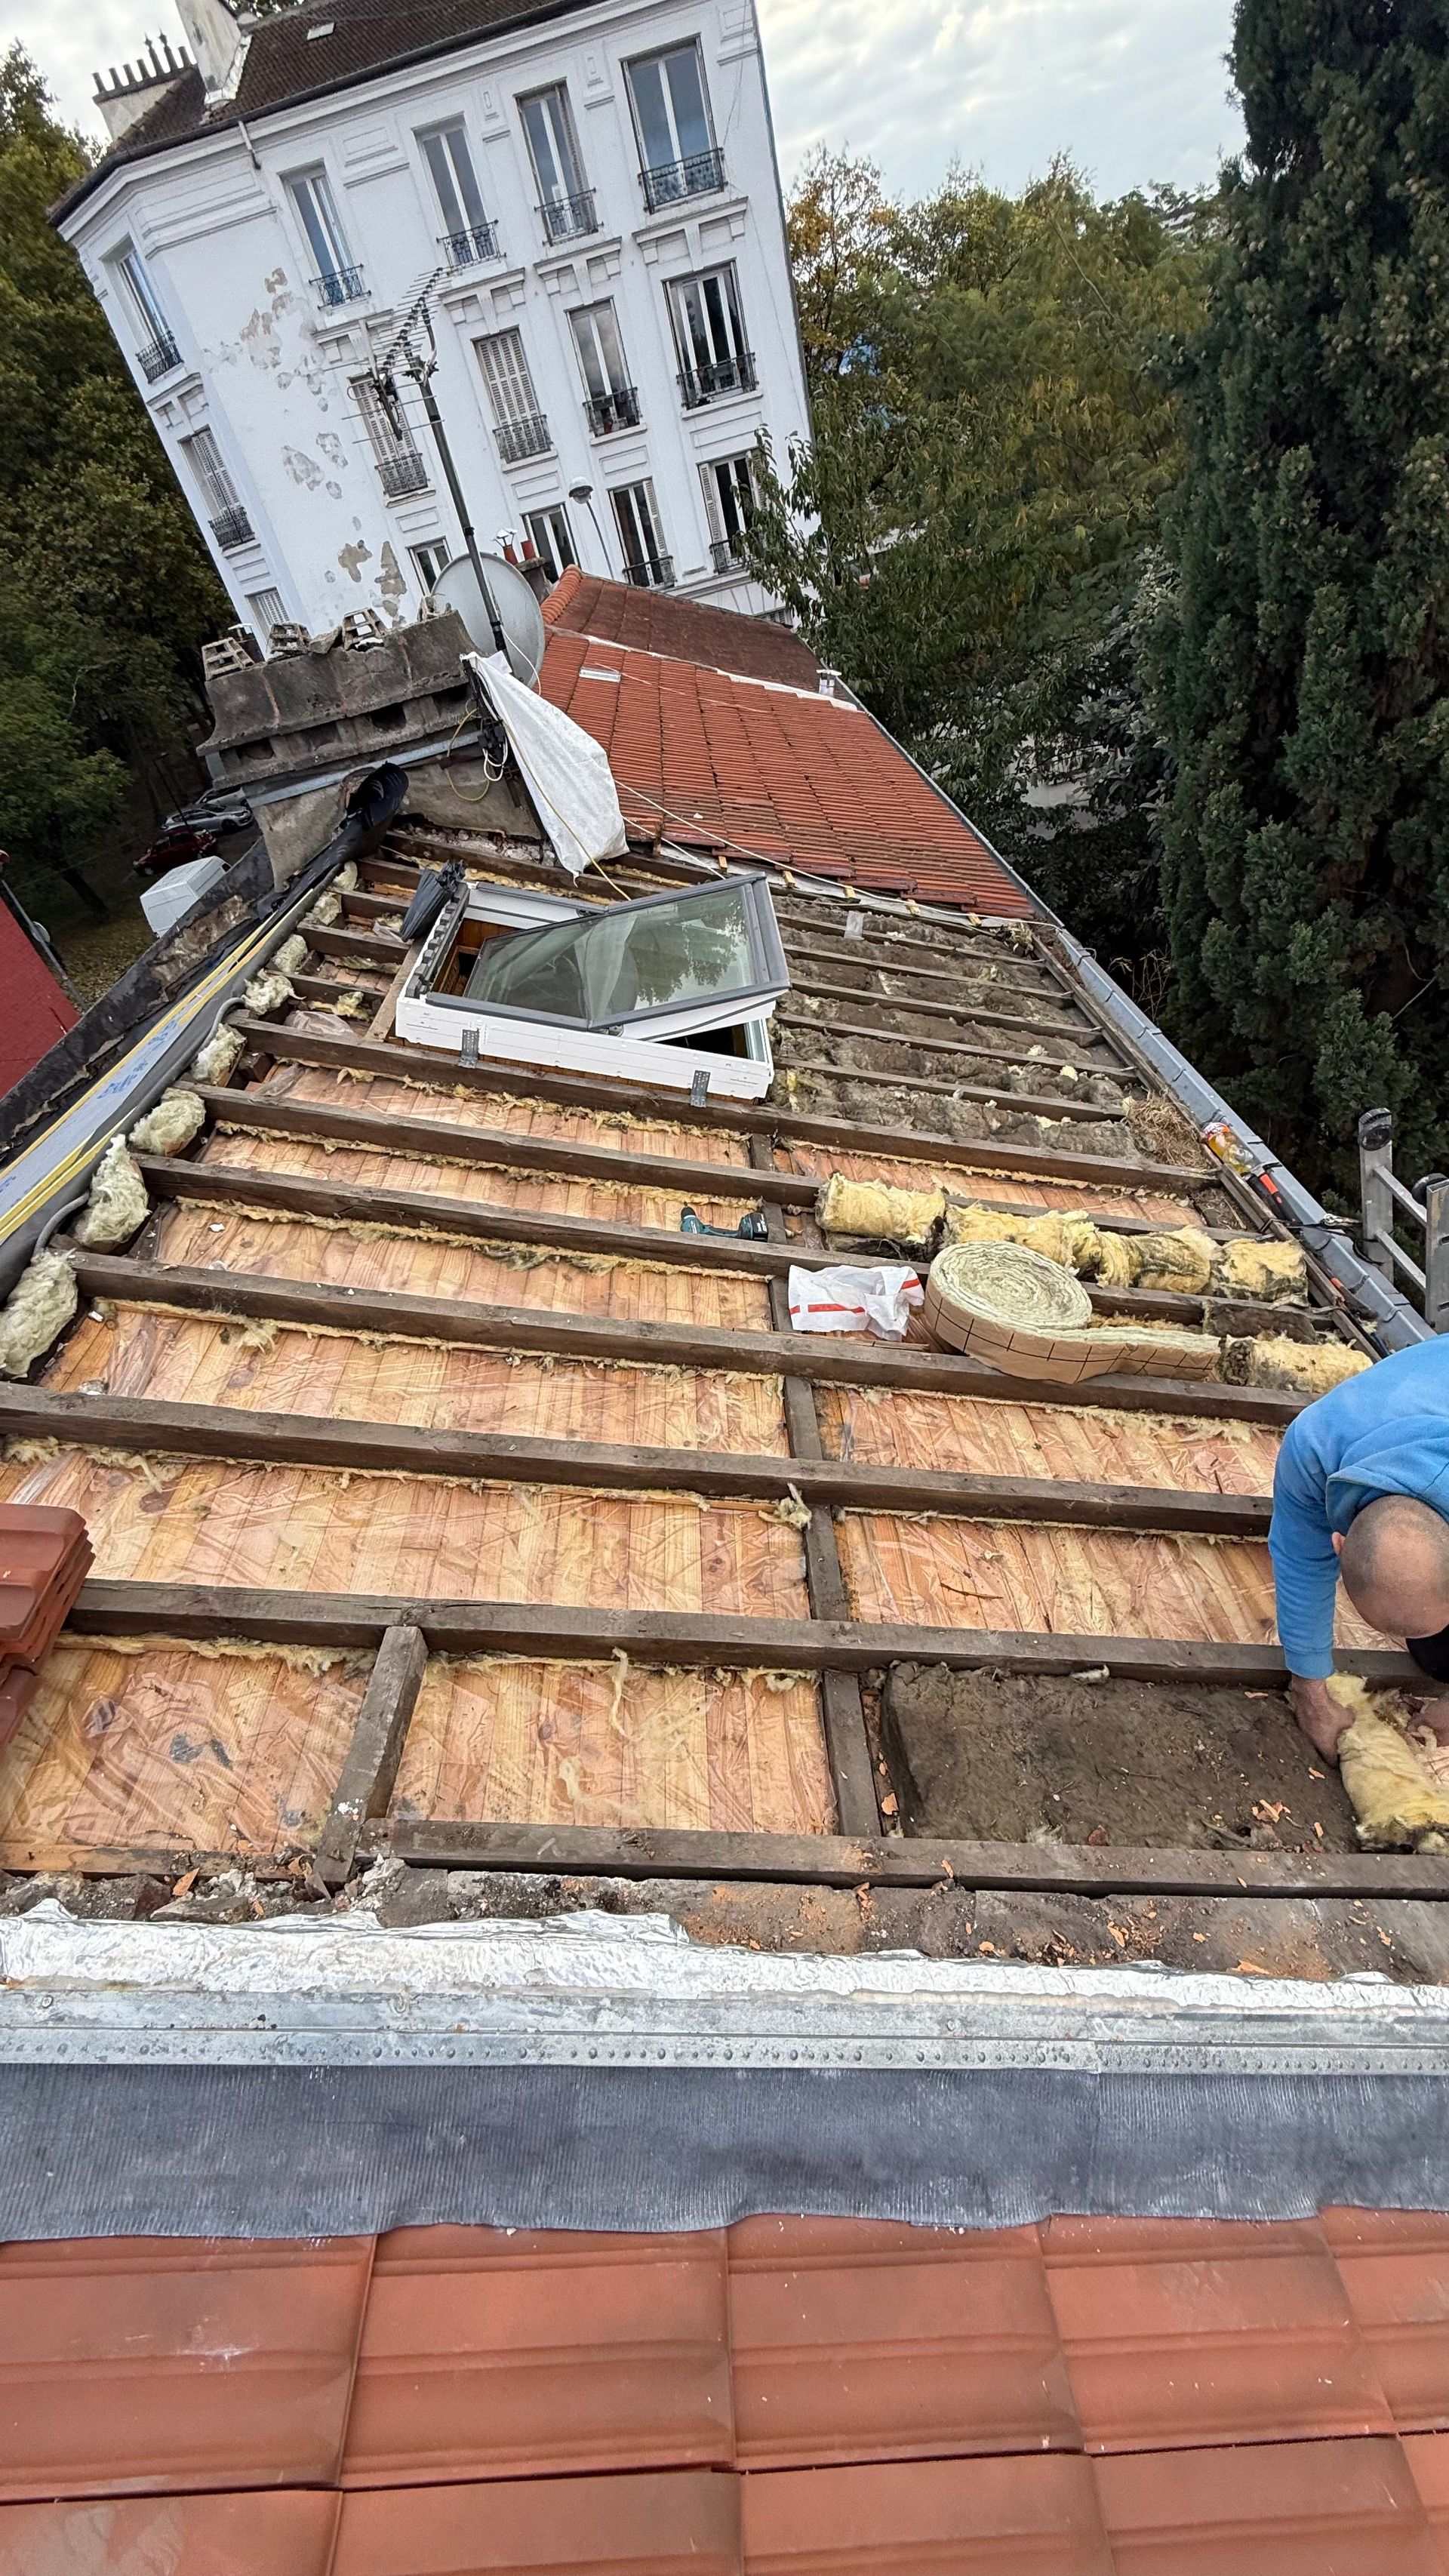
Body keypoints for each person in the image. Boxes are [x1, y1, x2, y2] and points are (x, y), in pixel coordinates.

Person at [1270, 1337, 1449, 1761]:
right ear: (1339, 1542)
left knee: (1440, 1659)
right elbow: (1299, 1562)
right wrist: (1310, 1690)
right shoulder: (1316, 1444)